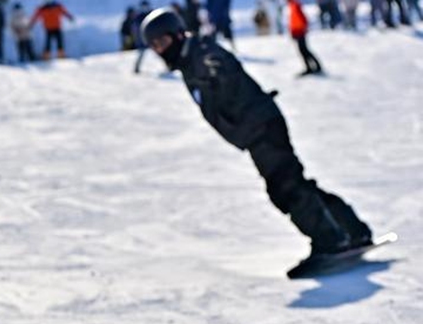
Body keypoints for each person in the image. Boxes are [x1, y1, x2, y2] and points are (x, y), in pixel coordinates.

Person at [140, 8, 373, 276]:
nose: (159, 50)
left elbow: (219, 65)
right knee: (296, 183)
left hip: (261, 127)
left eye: (162, 42)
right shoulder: (188, 59)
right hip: (258, 129)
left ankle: (330, 241)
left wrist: (214, 73)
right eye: (154, 45)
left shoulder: (201, 54)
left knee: (286, 189)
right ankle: (353, 231)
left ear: (178, 34)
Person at [288, 0, 323, 75]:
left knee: (304, 50)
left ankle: (314, 66)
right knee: (303, 50)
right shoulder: (292, 6)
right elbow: (294, 21)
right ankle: (310, 66)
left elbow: (301, 19)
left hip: (300, 31)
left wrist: (300, 29)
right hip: (298, 31)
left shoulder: (295, 5)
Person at [133, 0, 152, 71]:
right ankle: (136, 68)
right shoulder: (138, 17)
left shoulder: (151, 15)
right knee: (141, 54)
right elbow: (136, 30)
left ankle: (168, 66)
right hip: (142, 40)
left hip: (152, 38)